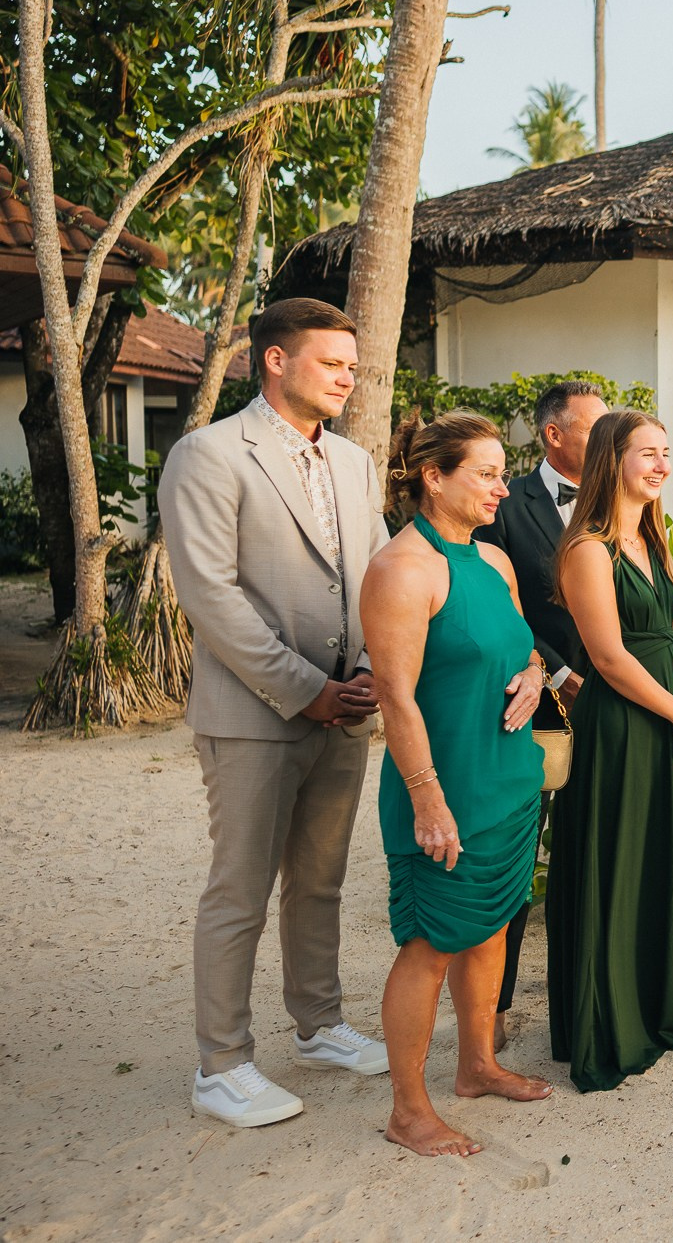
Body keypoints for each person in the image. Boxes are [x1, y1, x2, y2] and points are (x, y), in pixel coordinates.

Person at [159, 298, 390, 1129]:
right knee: (241, 889)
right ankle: (221, 1066)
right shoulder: (209, 453)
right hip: (255, 713)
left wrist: (367, 669)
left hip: (348, 705)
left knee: (320, 880)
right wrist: (308, 688)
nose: (346, 377)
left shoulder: (358, 464)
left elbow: (379, 573)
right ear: (276, 361)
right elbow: (211, 598)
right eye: (332, 362)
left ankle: (320, 1023)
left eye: (351, 366)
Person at [358, 411, 555, 1155]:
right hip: (444, 787)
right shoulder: (402, 569)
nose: (503, 486)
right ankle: (409, 1109)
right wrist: (427, 797)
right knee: (430, 943)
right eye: (488, 472)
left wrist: (536, 673)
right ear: (434, 477)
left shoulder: (495, 563)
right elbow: (396, 696)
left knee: (494, 924)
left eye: (504, 472)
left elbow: (520, 645)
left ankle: (476, 1065)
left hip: (507, 780)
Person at [546, 410, 673, 1092]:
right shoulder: (588, 548)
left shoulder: (654, 538)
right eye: (647, 453)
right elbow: (608, 658)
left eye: (666, 453)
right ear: (610, 460)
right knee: (619, 862)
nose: (661, 465)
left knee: (666, 855)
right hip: (624, 722)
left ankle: (668, 1004)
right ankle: (617, 1018)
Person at [472, 379, 608, 1050]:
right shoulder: (506, 504)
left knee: (597, 849)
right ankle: (490, 1011)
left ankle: (589, 993)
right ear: (554, 434)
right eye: (594, 427)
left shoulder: (623, 500)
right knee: (519, 857)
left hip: (616, 700)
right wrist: (556, 668)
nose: (608, 439)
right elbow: (500, 602)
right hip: (534, 700)